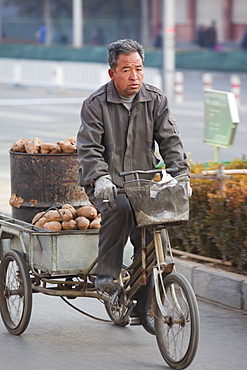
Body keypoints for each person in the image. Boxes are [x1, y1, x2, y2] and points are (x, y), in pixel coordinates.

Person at [77, 39, 190, 335]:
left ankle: (144, 301)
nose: (134, 76)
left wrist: (181, 177)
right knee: (121, 210)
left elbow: (171, 143)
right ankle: (107, 278)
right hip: (106, 184)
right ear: (112, 72)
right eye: (126, 70)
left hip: (142, 183)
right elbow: (88, 148)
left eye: (138, 69)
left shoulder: (155, 100)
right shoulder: (95, 104)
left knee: (151, 229)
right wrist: (99, 176)